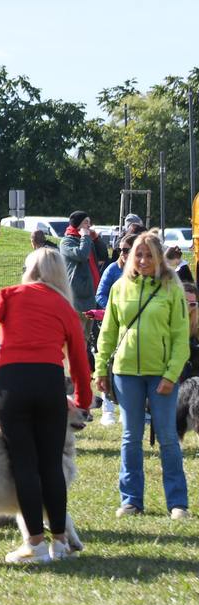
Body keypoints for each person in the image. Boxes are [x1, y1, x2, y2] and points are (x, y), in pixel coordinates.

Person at [0, 248, 92, 562]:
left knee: (25, 465)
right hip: (50, 383)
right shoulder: (64, 306)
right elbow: (79, 361)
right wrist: (83, 401)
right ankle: (59, 543)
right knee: (50, 465)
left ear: (29, 270)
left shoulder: (8, 295)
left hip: (13, 384)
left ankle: (34, 544)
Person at [96, 232, 190, 519]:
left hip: (162, 375)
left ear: (160, 258)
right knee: (130, 437)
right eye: (138, 254)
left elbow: (180, 337)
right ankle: (131, 501)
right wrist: (100, 369)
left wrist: (171, 374)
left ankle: (177, 503)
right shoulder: (119, 287)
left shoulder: (172, 290)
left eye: (149, 255)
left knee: (168, 439)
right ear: (130, 257)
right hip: (126, 374)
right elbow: (108, 332)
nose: (143, 260)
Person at [95, 233, 137, 426]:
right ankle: (108, 411)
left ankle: (134, 412)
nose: (123, 253)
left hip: (137, 331)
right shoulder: (113, 269)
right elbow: (101, 294)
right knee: (109, 367)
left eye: (127, 250)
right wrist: (112, 311)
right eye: (121, 250)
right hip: (116, 325)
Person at [60, 211, 100, 346]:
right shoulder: (67, 241)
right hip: (78, 298)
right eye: (85, 222)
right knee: (76, 340)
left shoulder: (87, 239)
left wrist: (96, 238)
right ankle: (71, 367)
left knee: (86, 339)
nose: (89, 225)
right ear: (77, 225)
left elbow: (103, 255)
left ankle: (80, 366)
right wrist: (86, 238)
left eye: (89, 222)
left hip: (91, 296)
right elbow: (82, 255)